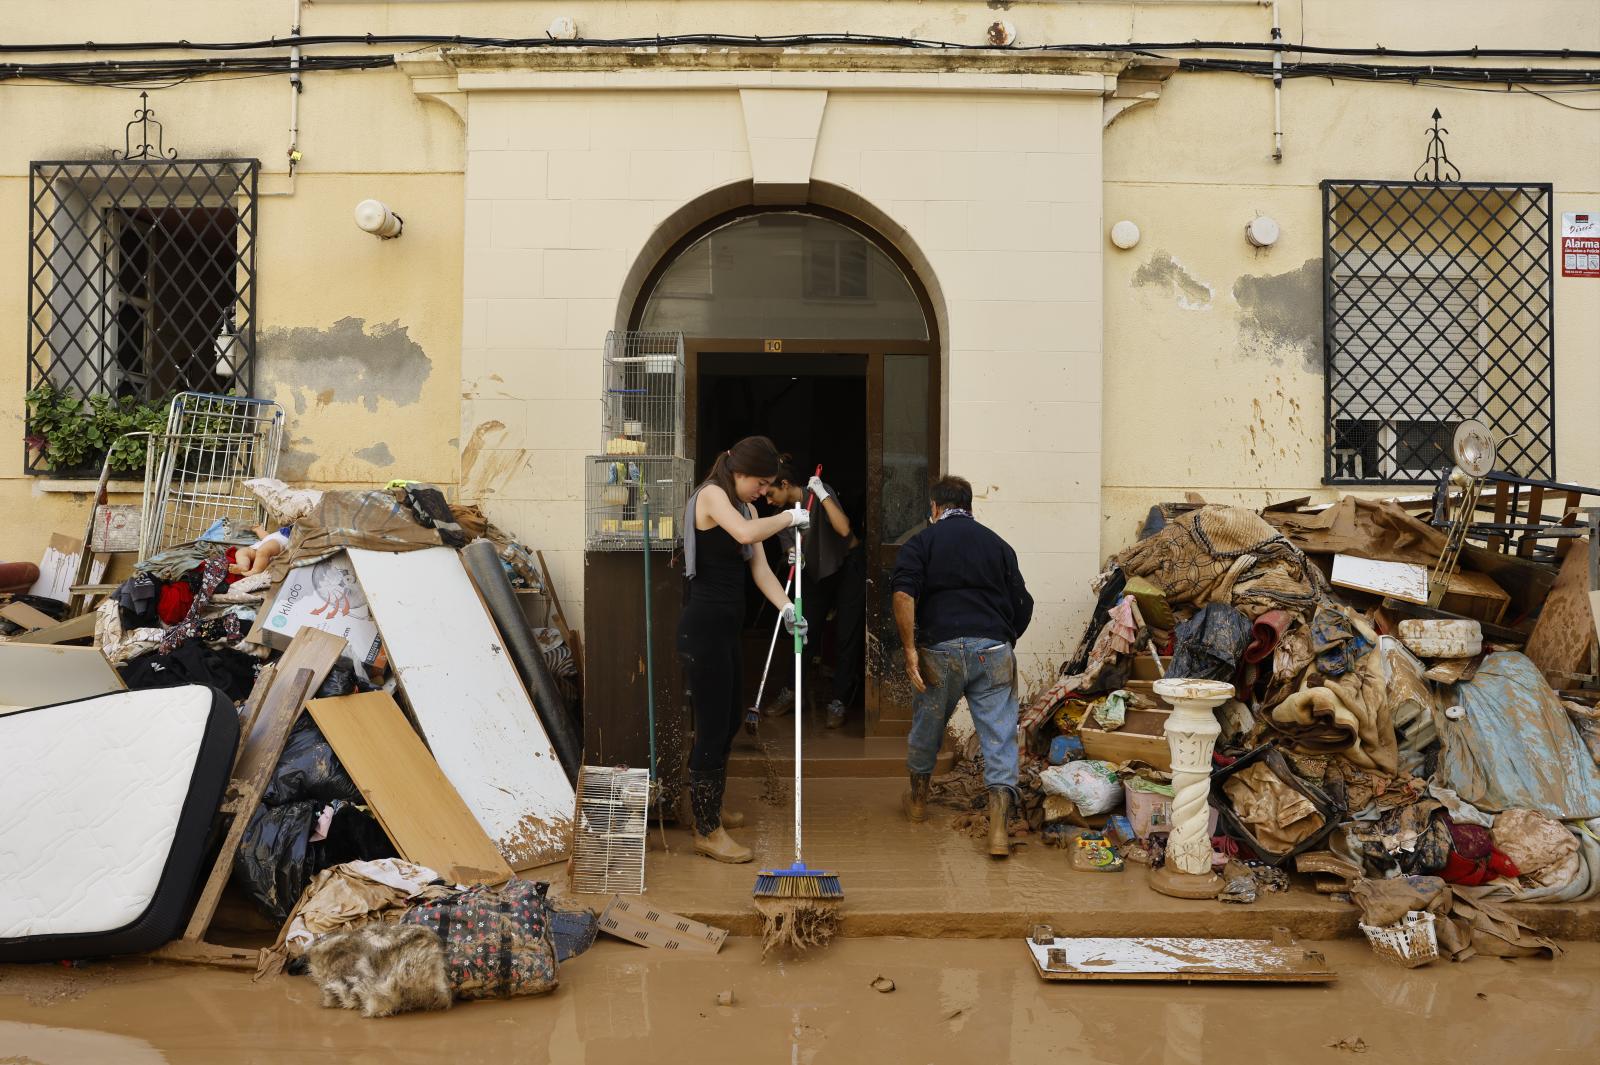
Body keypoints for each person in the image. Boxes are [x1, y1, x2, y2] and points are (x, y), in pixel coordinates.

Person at [679, 435, 811, 864]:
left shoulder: (749, 508)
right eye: (760, 482)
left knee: (732, 717)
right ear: (739, 472)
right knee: (713, 724)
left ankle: (709, 806)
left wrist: (787, 607)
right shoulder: (712, 496)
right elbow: (744, 533)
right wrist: (791, 515)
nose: (763, 491)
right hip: (703, 627)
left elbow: (759, 570)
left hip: (727, 629)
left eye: (769, 484)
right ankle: (706, 829)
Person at [891, 475, 1033, 859]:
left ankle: (918, 803)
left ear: (935, 508)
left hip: (941, 652)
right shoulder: (998, 545)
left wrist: (910, 651)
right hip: (993, 651)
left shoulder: (921, 542)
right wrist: (1004, 639)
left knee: (927, 725)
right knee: (1000, 737)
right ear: (970, 506)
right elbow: (1024, 604)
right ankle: (999, 832)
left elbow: (904, 594)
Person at [764, 461, 866, 729]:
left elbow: (843, 529)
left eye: (770, 493)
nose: (768, 500)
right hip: (815, 573)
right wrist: (792, 556)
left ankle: (839, 701)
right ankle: (791, 691)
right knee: (804, 630)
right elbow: (789, 551)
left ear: (784, 485)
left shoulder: (818, 492)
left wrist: (822, 494)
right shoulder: (783, 516)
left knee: (846, 634)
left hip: (847, 565)